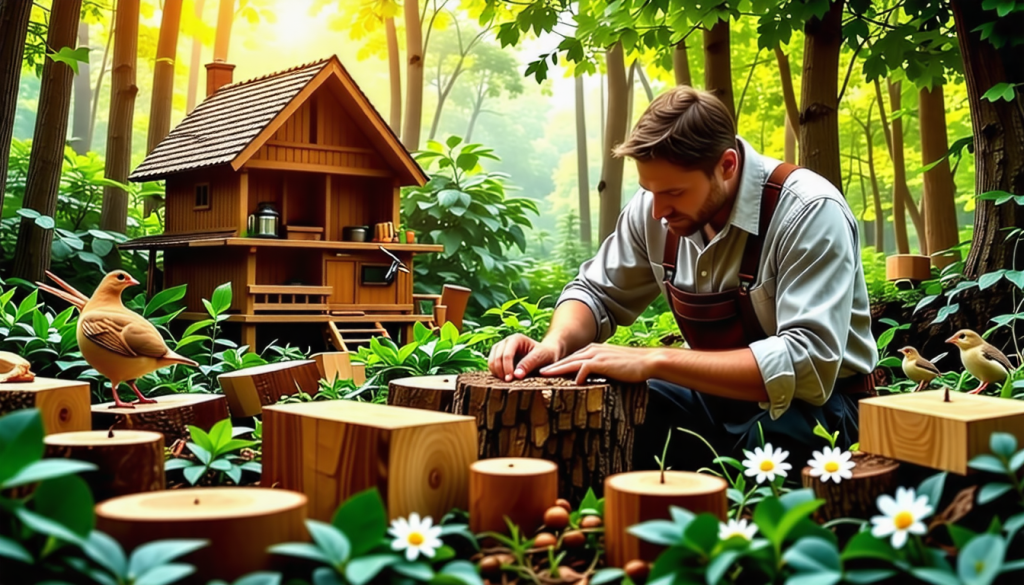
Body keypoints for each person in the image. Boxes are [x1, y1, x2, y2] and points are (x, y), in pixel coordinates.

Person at [487, 86, 878, 472]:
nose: (658, 210)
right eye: (648, 190)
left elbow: (806, 361)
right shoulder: (656, 207)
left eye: (673, 191)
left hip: (820, 410)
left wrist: (654, 359)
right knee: (621, 403)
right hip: (715, 400)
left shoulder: (809, 212)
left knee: (773, 439)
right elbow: (595, 293)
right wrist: (556, 343)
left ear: (726, 166)